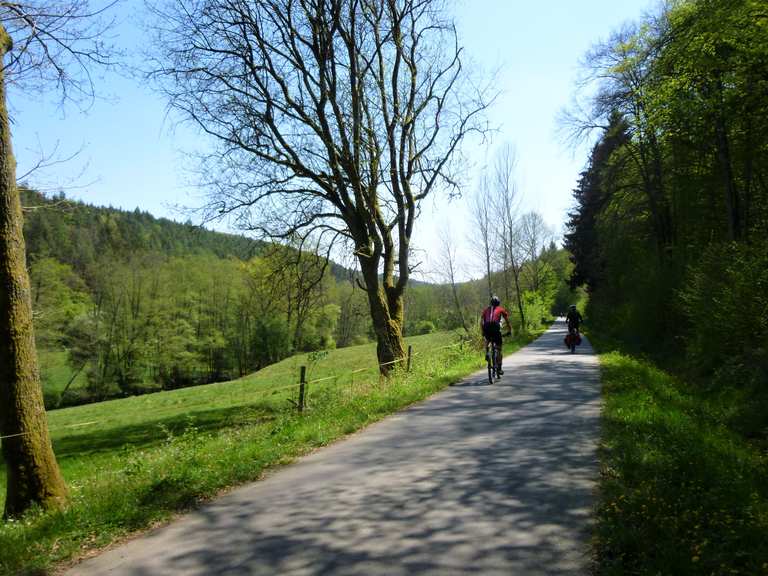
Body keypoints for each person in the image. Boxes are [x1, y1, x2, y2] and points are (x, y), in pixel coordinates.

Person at [481, 295, 511, 375]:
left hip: (486, 327)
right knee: (499, 348)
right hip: (495, 327)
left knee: (487, 339)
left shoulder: (485, 310)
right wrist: (509, 330)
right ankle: (500, 369)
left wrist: (482, 332)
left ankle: (487, 352)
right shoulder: (501, 309)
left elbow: (481, 321)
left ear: (490, 303)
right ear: (498, 303)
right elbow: (507, 321)